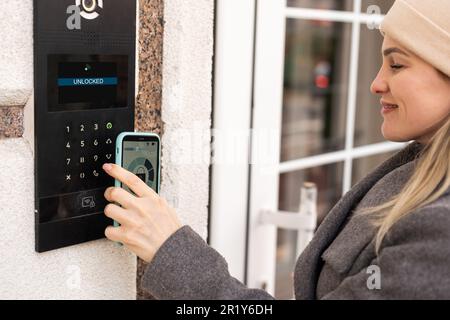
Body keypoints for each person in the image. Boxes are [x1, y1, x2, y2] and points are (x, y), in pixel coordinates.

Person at [101, 0, 450, 299]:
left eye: (397, 64)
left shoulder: (439, 233)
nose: (376, 83)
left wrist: (171, 251)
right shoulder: (420, 168)